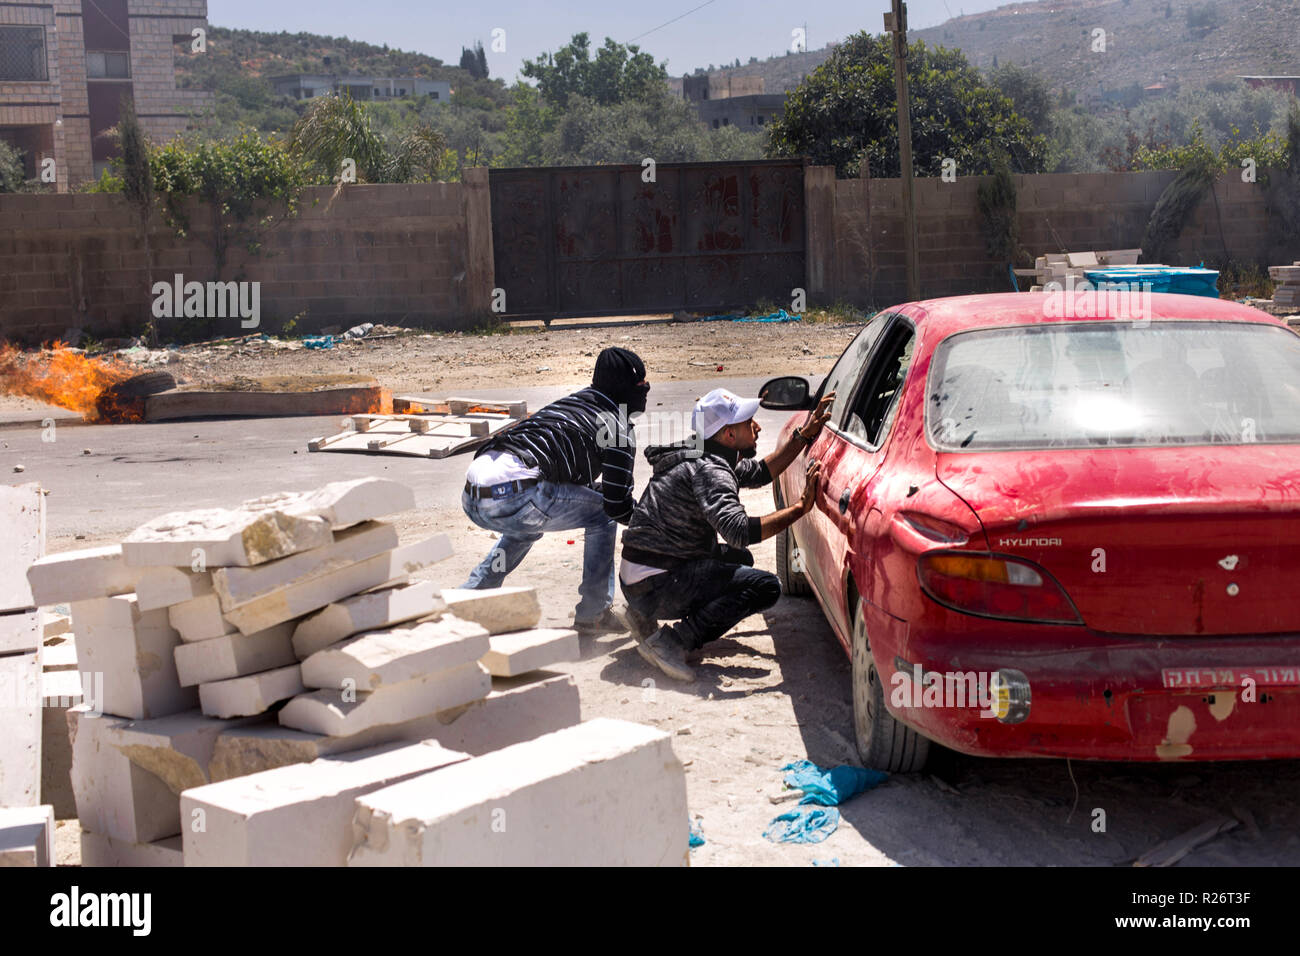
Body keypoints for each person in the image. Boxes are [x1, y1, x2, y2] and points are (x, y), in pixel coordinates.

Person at [619, 387, 834, 680]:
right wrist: (800, 508)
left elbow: (759, 472)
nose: (757, 426)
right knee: (765, 586)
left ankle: (642, 615)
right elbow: (739, 530)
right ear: (728, 435)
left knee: (739, 560)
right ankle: (673, 642)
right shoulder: (710, 470)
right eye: (748, 422)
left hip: (640, 575)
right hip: (655, 583)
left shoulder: (702, 452)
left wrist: (804, 435)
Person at [460, 347, 649, 635]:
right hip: (518, 493)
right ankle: (594, 613)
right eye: (640, 384)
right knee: (602, 515)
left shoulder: (572, 404)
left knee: (528, 523)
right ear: (625, 388)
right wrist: (654, 527)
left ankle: (471, 594)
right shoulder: (617, 425)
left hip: (474, 492)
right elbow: (617, 506)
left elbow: (572, 484)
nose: (645, 390)